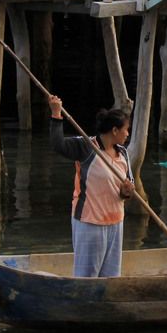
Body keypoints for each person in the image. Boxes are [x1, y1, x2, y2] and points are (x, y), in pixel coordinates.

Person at [48, 95, 135, 277]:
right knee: (86, 277)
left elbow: (126, 190)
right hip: (90, 222)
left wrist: (126, 191)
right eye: (126, 130)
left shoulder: (123, 153)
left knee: (111, 277)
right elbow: (58, 145)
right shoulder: (87, 147)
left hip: (116, 222)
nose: (128, 134)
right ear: (114, 130)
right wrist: (56, 114)